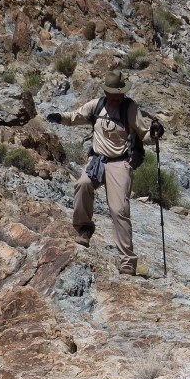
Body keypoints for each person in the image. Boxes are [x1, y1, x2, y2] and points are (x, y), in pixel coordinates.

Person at [47, 70, 164, 276]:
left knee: (118, 209)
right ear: (106, 92)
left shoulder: (130, 108)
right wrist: (60, 118)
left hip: (120, 163)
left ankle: (127, 260)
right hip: (97, 159)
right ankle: (84, 229)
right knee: (82, 184)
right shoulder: (97, 105)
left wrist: (154, 134)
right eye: (112, 93)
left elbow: (144, 134)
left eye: (119, 93)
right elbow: (76, 116)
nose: (116, 97)